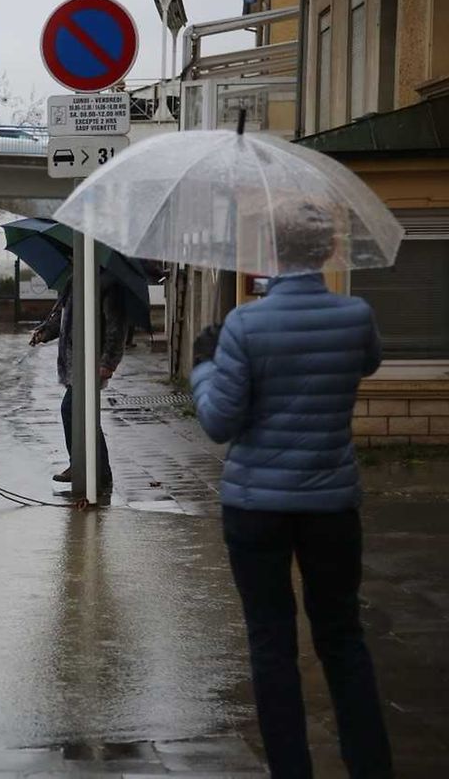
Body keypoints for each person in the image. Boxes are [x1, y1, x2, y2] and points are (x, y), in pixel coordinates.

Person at [190, 201, 392, 779]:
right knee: (343, 637)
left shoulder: (246, 326)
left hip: (256, 509)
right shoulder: (355, 315)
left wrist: (206, 363)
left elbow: (218, 422)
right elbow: (369, 363)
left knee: (271, 643)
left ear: (272, 253)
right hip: (331, 505)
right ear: (329, 251)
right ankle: (371, 765)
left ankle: (290, 769)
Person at [29, 272, 128, 490]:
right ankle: (102, 474)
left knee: (70, 409)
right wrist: (44, 333)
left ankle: (80, 466)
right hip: (74, 362)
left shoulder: (108, 283)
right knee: (87, 416)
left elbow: (116, 326)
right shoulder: (75, 279)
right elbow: (66, 320)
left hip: (92, 362)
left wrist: (109, 362)